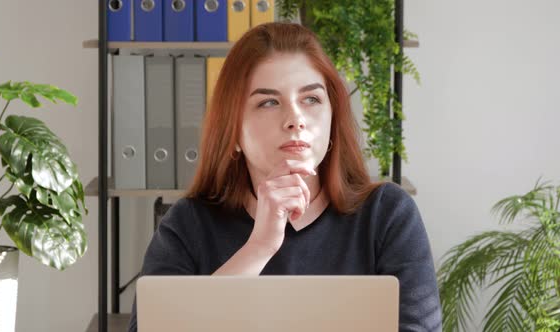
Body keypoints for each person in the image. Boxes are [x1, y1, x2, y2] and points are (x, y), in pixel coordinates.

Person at [128, 22, 442, 331]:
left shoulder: (387, 214)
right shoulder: (187, 225)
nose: (295, 119)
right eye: (268, 102)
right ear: (233, 131)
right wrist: (259, 246)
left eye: (311, 99)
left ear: (333, 117)